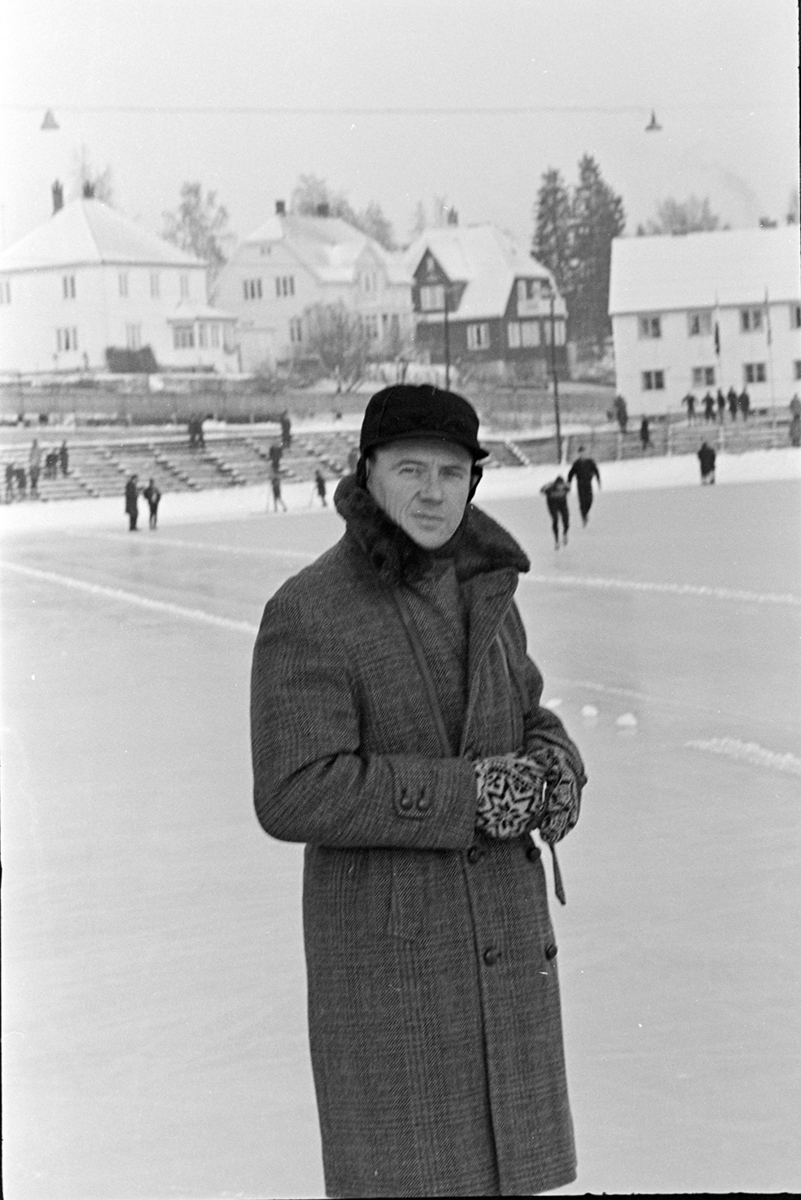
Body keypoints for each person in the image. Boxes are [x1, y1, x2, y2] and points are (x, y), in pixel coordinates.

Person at [251, 383, 587, 1199]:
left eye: (451, 471)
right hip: (397, 982)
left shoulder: (487, 589)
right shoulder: (310, 609)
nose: (433, 491)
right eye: (410, 469)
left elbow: (527, 709)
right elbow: (292, 789)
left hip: (502, 963)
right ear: (366, 473)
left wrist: (555, 771)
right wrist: (469, 796)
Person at [567, 446, 601, 526]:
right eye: (581, 453)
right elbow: (571, 473)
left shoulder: (590, 462)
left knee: (590, 500)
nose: (583, 454)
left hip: (588, 483)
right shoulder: (577, 463)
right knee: (582, 501)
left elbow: (596, 470)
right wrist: (569, 483)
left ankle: (586, 513)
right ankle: (584, 517)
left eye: (584, 452)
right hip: (580, 484)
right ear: (579, 454)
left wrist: (598, 480)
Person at [540, 474, 571, 548]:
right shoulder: (550, 488)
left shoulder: (566, 487)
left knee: (566, 520)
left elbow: (568, 488)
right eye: (559, 486)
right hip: (552, 505)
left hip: (562, 504)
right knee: (555, 520)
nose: (560, 488)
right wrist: (546, 487)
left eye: (562, 486)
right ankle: (556, 540)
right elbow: (541, 490)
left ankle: (565, 534)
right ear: (555, 484)